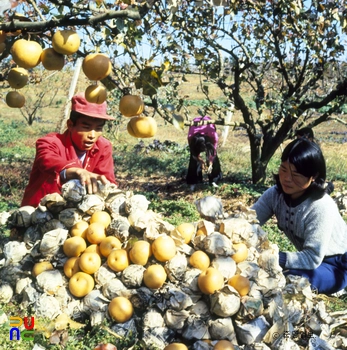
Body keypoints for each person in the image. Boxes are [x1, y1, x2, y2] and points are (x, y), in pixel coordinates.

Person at [252, 138, 347, 295]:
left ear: (314, 176)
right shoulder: (275, 195)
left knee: (289, 280)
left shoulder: (320, 206)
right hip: (310, 262)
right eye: (283, 170)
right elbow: (249, 221)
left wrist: (274, 258)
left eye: (296, 174)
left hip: (336, 264)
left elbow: (312, 258)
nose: (287, 178)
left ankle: (338, 285)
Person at [21, 92, 117, 207]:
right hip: (39, 212)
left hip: (77, 215)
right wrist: (75, 171)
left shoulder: (103, 147)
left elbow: (106, 181)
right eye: (86, 128)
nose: (92, 135)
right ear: (70, 125)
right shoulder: (50, 142)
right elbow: (46, 160)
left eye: (98, 128)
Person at [186, 116, 222, 189]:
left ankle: (215, 178)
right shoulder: (191, 137)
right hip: (195, 125)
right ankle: (193, 181)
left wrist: (210, 163)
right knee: (193, 159)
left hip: (208, 124)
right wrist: (200, 160)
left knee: (213, 157)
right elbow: (194, 153)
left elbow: (213, 151)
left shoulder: (213, 136)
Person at [295, 127, 334, 194]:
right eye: (297, 140)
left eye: (301, 140)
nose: (298, 143)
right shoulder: (297, 151)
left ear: (310, 139)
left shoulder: (314, 153)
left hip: (312, 182)